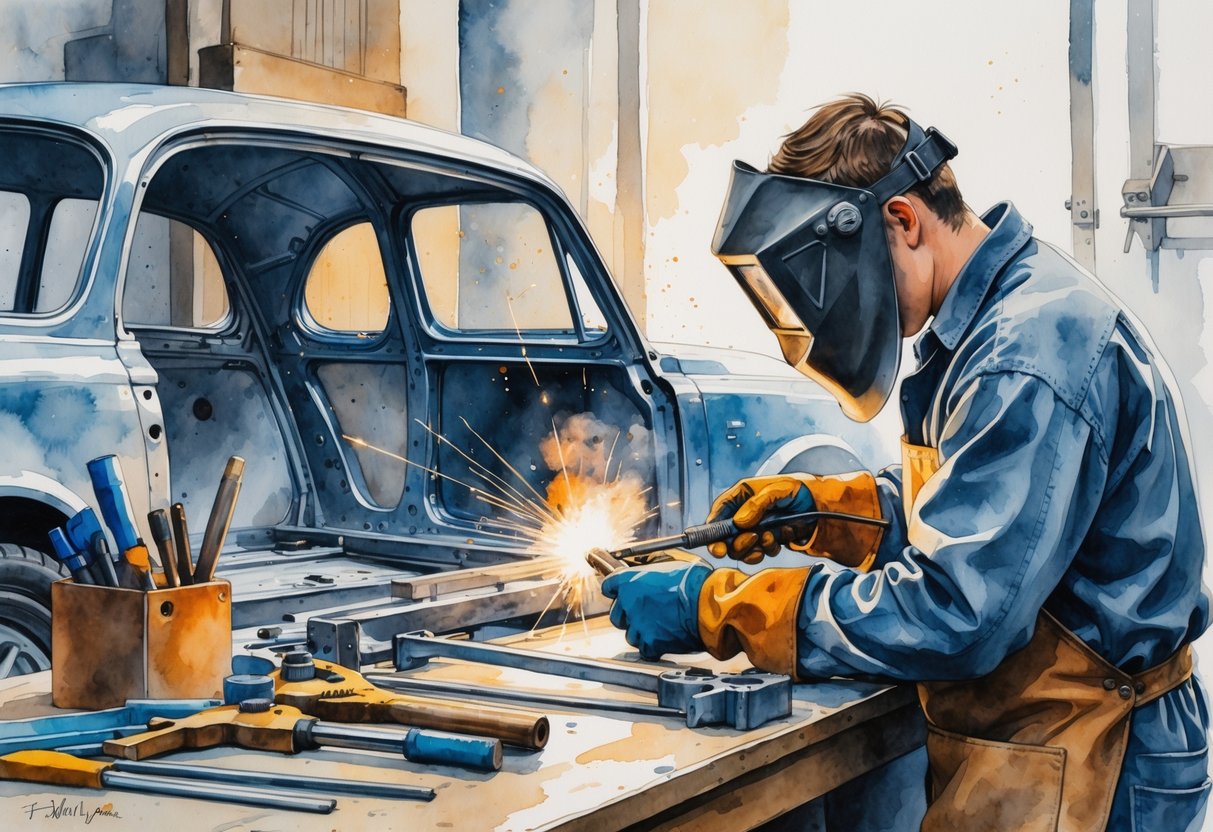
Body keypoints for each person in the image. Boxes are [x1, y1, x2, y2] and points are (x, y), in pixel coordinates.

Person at [601, 94, 1210, 831]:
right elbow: (970, 506)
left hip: (1095, 751)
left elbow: (957, 613)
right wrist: (822, 510)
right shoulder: (995, 318)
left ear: (900, 220)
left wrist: (717, 606)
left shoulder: (1021, 352)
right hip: (1045, 731)